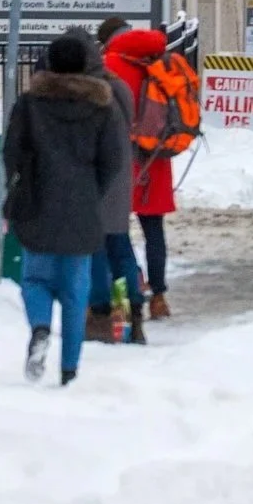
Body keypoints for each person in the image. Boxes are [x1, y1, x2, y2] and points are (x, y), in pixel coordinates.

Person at [2, 29, 125, 387]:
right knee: (75, 290)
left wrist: (22, 180)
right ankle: (69, 369)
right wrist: (91, 189)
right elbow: (113, 161)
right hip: (83, 205)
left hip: (36, 202)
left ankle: (40, 327)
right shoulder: (102, 108)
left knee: (35, 278)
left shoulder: (30, 104)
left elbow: (12, 152)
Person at [99, 18, 177, 322]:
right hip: (155, 157)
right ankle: (159, 297)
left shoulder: (109, 66)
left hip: (119, 159)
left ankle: (128, 291)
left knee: (115, 233)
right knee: (154, 231)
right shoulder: (158, 60)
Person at [85, 16, 146, 346]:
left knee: (95, 249)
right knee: (121, 247)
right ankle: (133, 311)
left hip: (95, 177)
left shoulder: (89, 91)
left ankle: (100, 313)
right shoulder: (118, 84)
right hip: (122, 175)